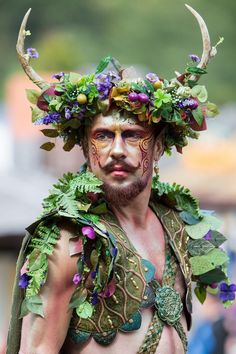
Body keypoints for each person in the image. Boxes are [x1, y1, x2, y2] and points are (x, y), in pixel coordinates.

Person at [7, 5, 234, 354]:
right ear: (84, 146)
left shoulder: (179, 226)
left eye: (131, 135)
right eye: (102, 136)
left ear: (159, 146)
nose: (116, 150)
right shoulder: (67, 242)